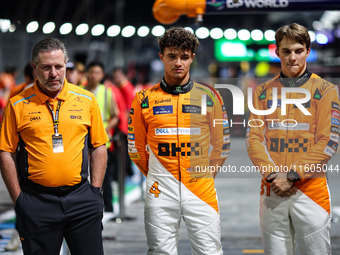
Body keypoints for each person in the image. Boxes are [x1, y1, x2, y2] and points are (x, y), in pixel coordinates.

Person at [0, 38, 108, 255]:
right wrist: (19, 199)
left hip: (82, 200)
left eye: (59, 67)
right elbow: (6, 152)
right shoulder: (17, 104)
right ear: (35, 68)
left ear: (66, 65)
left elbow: (99, 146)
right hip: (36, 202)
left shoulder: (86, 100)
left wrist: (95, 192)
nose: (53, 74)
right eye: (46, 67)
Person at [128, 27, 230, 254]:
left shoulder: (210, 97)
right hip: (160, 188)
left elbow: (222, 145)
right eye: (172, 56)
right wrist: (158, 174)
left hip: (201, 188)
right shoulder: (144, 99)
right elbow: (135, 147)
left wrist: (205, 174)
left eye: (184, 57)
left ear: (192, 57)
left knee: (210, 251)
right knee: (160, 251)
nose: (178, 63)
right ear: (161, 57)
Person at [246, 23, 340, 255]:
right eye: (286, 51)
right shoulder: (262, 91)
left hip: (311, 191)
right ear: (277, 52)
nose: (292, 57)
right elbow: (253, 138)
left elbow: (329, 141)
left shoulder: (326, 90)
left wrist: (292, 176)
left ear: (307, 51)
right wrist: (272, 176)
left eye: (298, 50)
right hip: (272, 190)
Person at [84, 61, 119, 220]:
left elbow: (116, 115)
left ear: (102, 75)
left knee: (104, 176)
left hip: (102, 141)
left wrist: (104, 130)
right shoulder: (80, 91)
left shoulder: (106, 92)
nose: (93, 75)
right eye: (91, 72)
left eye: (97, 72)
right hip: (83, 140)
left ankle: (108, 207)